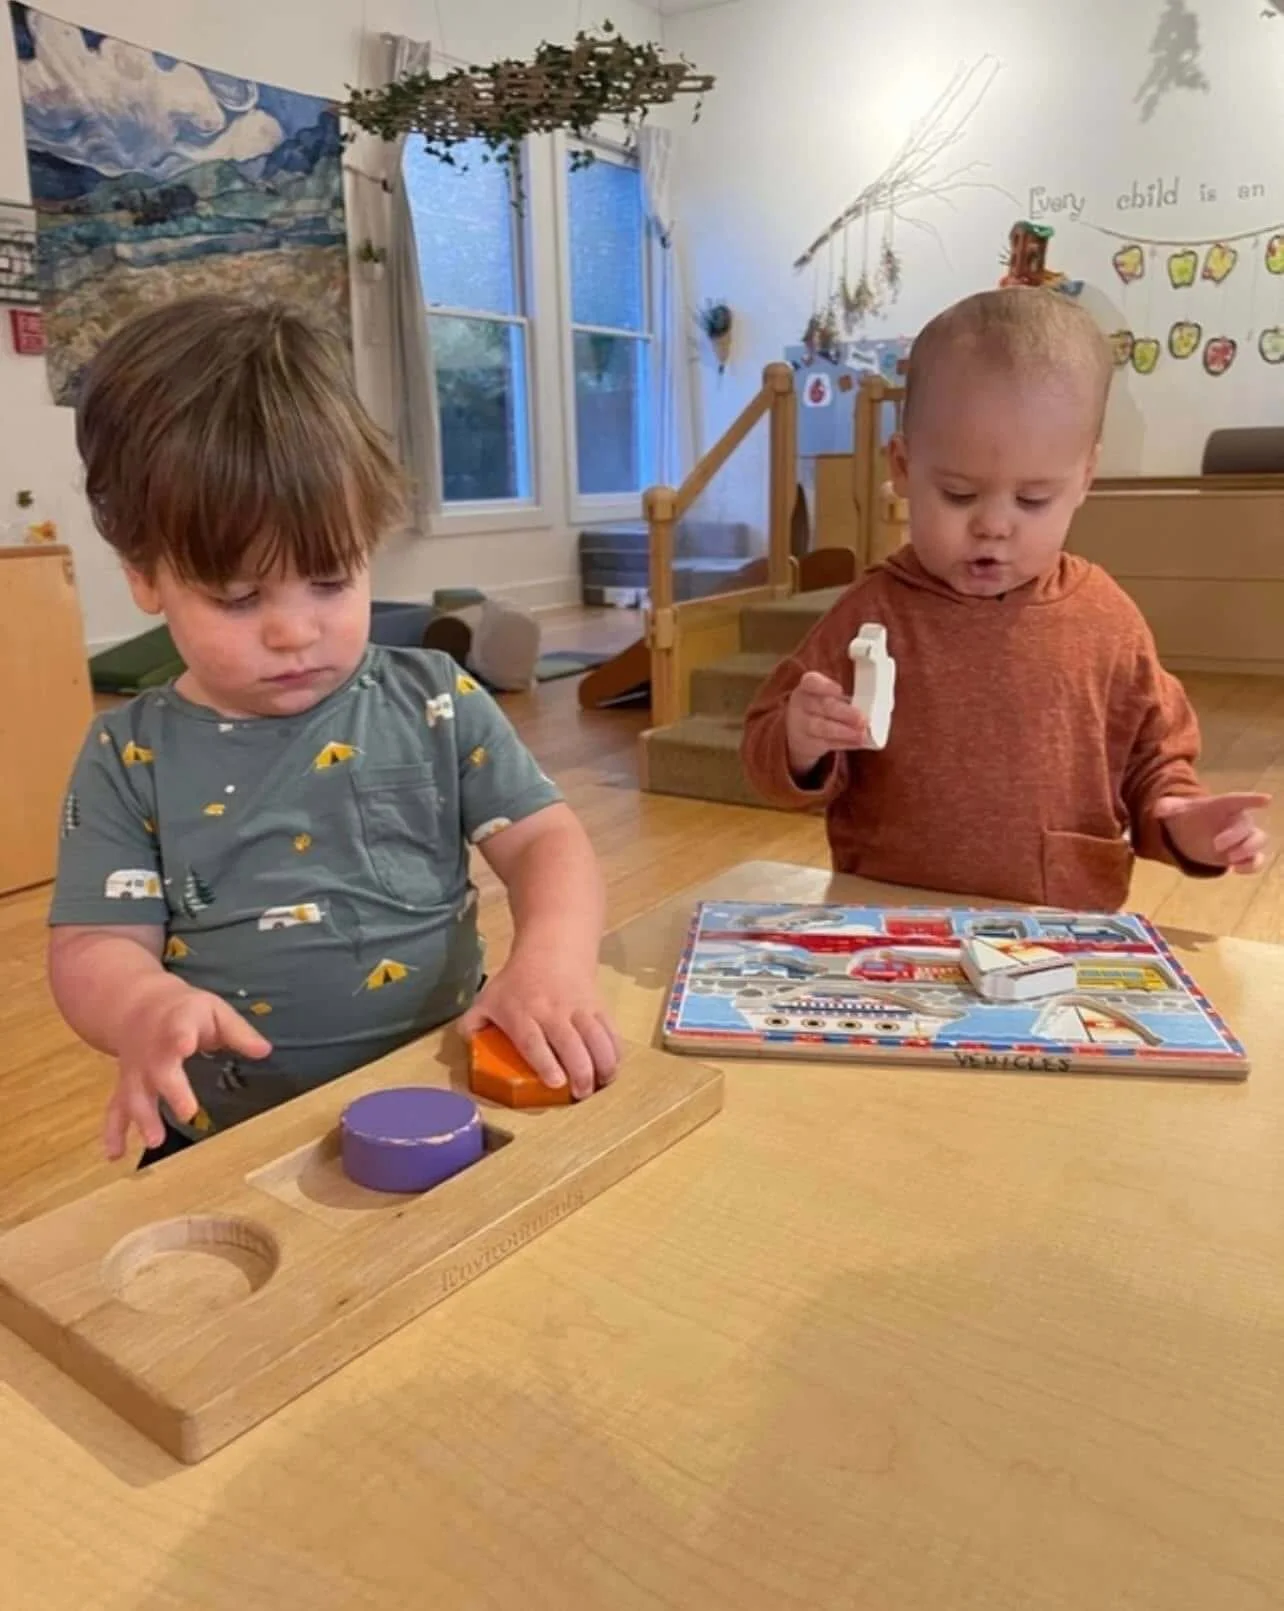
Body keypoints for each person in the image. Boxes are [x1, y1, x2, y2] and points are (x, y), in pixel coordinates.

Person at [48, 296, 619, 1165]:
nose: (293, 630)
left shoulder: (434, 698)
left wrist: (551, 959)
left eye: (329, 578)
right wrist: (139, 1008)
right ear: (144, 577)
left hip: (443, 1093)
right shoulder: (129, 759)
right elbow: (92, 944)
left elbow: (546, 841)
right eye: (239, 598)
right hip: (227, 1140)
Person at [742, 287, 1270, 909]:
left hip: (1057, 930)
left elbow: (1154, 764)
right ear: (905, 468)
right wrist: (801, 741)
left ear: (1085, 480)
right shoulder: (873, 611)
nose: (994, 525)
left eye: (1033, 500)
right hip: (891, 925)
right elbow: (766, 753)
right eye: (960, 495)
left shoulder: (1107, 618)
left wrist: (1188, 820)